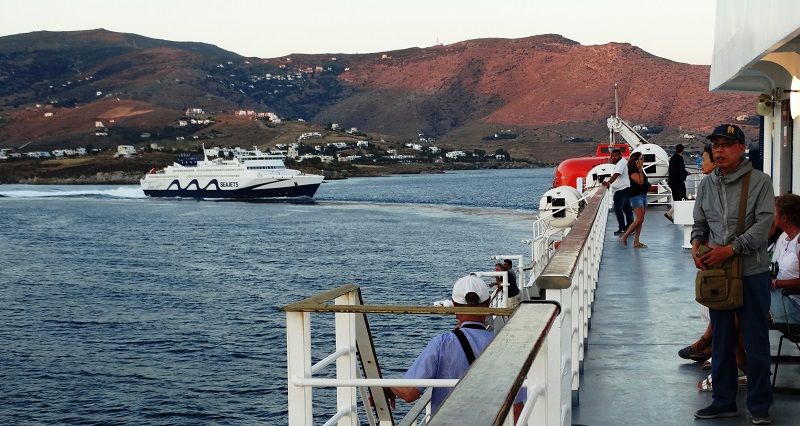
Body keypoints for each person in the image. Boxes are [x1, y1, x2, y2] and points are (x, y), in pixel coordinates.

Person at [691, 124, 774, 423]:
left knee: (755, 340)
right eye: (716, 145)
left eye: (726, 144)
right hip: (718, 275)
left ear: (741, 148)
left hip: (752, 273)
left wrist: (731, 249)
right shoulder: (706, 185)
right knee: (722, 340)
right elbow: (700, 223)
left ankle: (760, 405)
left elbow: (764, 226)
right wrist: (696, 245)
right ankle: (723, 401)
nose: (719, 150)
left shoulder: (760, 182)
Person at [389, 275, 525, 419]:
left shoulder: (442, 344)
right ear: (488, 304)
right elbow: (517, 409)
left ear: (454, 304)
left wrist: (389, 386)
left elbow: (409, 393)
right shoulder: (504, 346)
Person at [769, 194, 800, 325]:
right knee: (737, 303)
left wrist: (776, 283)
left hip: (794, 303)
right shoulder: (785, 239)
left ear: (784, 217)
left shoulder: (798, 243)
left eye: (775, 212)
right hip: (781, 295)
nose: (773, 216)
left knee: (745, 311)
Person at [619, 152, 649, 248]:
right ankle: (624, 237)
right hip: (637, 196)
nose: (643, 160)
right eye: (641, 158)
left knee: (641, 220)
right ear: (636, 161)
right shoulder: (632, 171)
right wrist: (639, 170)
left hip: (643, 195)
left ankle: (636, 242)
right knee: (639, 219)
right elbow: (640, 182)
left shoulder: (640, 170)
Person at [602, 148, 634, 236]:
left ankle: (622, 228)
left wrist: (608, 183)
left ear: (620, 155)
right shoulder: (622, 162)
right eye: (612, 156)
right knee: (627, 209)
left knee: (617, 209)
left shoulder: (620, 164)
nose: (614, 157)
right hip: (625, 188)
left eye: (616, 155)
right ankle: (630, 227)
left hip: (621, 190)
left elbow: (616, 174)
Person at [665, 143, 689, 222]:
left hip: (672, 182)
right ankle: (672, 214)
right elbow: (680, 170)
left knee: (677, 198)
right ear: (682, 150)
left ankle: (671, 214)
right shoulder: (679, 159)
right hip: (678, 182)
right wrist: (686, 173)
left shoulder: (672, 158)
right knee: (681, 198)